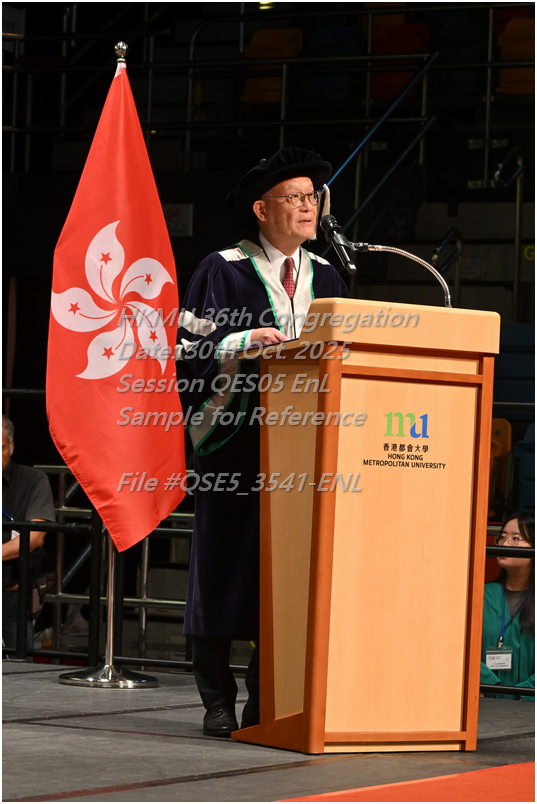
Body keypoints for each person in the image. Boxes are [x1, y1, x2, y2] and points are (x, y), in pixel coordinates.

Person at [176, 147, 349, 736]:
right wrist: (242, 342)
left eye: (312, 197)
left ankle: (267, 697)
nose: (308, 206)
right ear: (261, 208)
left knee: (286, 573)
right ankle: (217, 699)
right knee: (223, 569)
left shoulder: (328, 276)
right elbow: (187, 352)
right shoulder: (222, 269)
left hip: (303, 448)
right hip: (235, 443)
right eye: (294, 197)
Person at [2, 415, 56, 651]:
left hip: (11, 597)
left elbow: (35, 537)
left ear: (11, 447)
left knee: (19, 666)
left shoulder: (32, 479)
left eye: (0, 447)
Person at [480, 511, 534, 700]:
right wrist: (485, 685)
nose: (504, 544)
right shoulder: (481, 595)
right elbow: (460, 648)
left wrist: (524, 695)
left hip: (529, 706)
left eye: (515, 538)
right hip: (484, 701)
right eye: (502, 537)